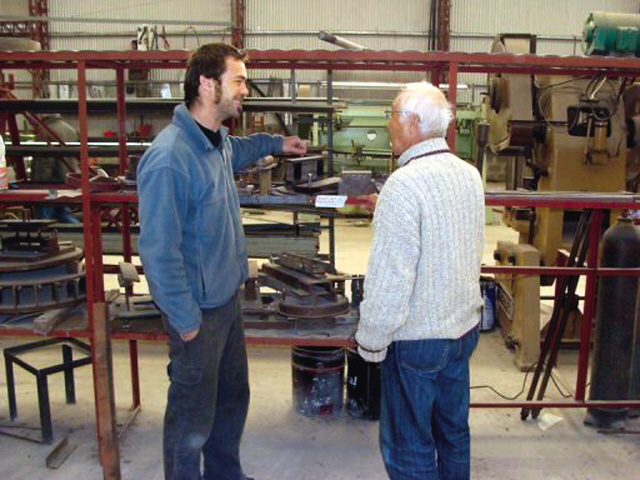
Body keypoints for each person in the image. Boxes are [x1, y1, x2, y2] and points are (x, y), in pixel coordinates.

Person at [137, 43, 306, 480]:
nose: (245, 90)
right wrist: (184, 317)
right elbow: (157, 250)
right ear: (208, 84)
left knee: (231, 399)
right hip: (197, 311)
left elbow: (242, 149)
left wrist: (277, 143)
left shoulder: (214, 143)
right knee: (191, 414)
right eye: (239, 81)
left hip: (226, 302)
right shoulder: (171, 157)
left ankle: (225, 475)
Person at [355, 82, 484, 480]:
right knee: (453, 434)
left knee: (408, 446)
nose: (389, 124)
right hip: (462, 328)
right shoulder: (468, 174)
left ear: (412, 124)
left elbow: (392, 279)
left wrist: (371, 340)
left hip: (418, 341)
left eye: (391, 115)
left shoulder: (404, 184)